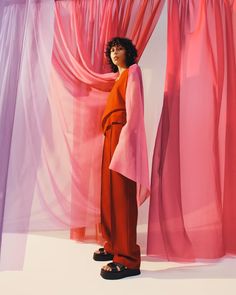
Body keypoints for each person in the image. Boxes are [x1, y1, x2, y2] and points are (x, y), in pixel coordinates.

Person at [93, 37, 149, 280]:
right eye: (112, 50)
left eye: (120, 48)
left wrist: (126, 143)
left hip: (122, 134)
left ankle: (128, 259)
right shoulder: (117, 79)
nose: (116, 53)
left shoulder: (133, 72)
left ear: (129, 52)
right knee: (109, 195)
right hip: (111, 135)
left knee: (122, 195)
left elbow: (134, 111)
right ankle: (114, 245)